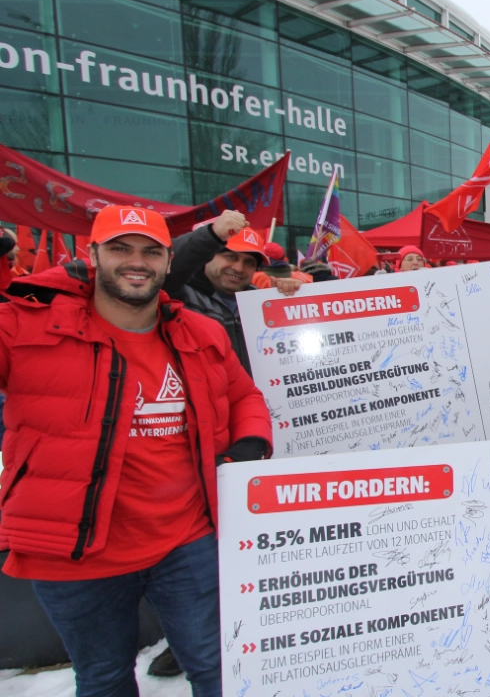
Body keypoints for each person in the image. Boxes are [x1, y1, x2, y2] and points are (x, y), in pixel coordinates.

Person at [0, 205, 272, 697]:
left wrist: (249, 444)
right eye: (120, 248)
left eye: (150, 251)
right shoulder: (26, 325)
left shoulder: (200, 331)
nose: (137, 262)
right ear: (92, 255)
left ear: (169, 262)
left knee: (221, 669)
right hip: (74, 554)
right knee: (104, 678)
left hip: (187, 542)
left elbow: (244, 396)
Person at [163, 211, 301, 373]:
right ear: (208, 257)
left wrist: (294, 297)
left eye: (249, 262)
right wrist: (211, 235)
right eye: (231, 257)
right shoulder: (178, 295)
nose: (239, 268)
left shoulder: (260, 303)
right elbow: (169, 265)